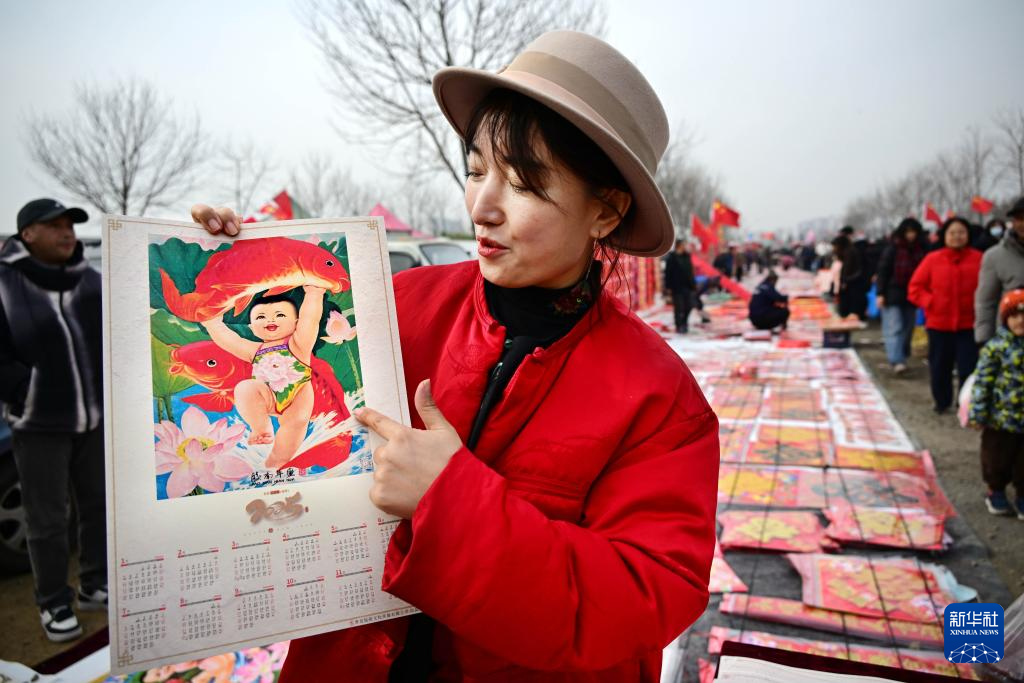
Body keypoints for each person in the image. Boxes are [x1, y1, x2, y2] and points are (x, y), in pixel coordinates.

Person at [191, 30, 718, 682]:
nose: (481, 206)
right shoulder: (394, 307)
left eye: (522, 183)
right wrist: (233, 260)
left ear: (605, 212)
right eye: (475, 171)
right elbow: (276, 381)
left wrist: (448, 500)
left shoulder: (659, 397)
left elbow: (637, 599)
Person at [0, 198, 107, 642]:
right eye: (55, 225)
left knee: (99, 506)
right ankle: (53, 601)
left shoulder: (91, 281)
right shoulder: (5, 284)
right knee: (46, 519)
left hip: (94, 417)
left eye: (71, 225)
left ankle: (95, 583)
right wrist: (25, 390)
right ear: (27, 234)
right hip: (38, 425)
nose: (67, 233)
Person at [200, 288, 327, 469]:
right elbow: (231, 341)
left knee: (295, 424)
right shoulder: (255, 350)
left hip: (297, 396)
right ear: (252, 327)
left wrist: (314, 294)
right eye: (261, 317)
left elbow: (310, 319)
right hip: (267, 396)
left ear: (296, 323)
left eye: (280, 315)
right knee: (245, 388)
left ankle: (277, 462)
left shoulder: (299, 344)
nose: (270, 320)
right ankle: (261, 429)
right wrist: (212, 324)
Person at [908, 217, 983, 414]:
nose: (957, 236)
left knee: (968, 367)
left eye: (961, 232)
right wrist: (931, 302)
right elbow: (915, 288)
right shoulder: (933, 259)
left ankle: (964, 404)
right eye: (952, 233)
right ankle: (941, 402)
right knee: (940, 366)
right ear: (944, 236)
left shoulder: (979, 259)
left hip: (969, 324)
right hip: (939, 324)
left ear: (968, 235)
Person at [969, 289, 1024, 518]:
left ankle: (1022, 495)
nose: (1020, 321)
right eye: (1014, 316)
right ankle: (996, 491)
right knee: (996, 458)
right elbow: (983, 382)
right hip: (1000, 419)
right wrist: (978, 413)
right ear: (1005, 319)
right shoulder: (996, 347)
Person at [876, 218, 927, 374]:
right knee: (894, 327)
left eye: (913, 232)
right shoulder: (893, 249)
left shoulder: (921, 250)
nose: (911, 235)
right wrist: (880, 293)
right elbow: (883, 271)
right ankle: (896, 360)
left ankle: (901, 356)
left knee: (908, 328)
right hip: (892, 294)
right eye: (908, 232)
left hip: (912, 295)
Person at [975, 197, 1024, 346]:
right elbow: (986, 302)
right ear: (1013, 222)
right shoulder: (994, 256)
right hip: (1011, 343)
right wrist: (983, 339)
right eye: (1019, 218)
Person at [663, 238, 698, 332]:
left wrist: (693, 284)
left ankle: (684, 322)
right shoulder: (672, 258)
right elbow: (668, 273)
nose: (686, 246)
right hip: (676, 286)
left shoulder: (687, 256)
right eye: (684, 244)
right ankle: (679, 326)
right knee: (679, 307)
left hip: (688, 286)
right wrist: (668, 287)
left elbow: (691, 271)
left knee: (689, 306)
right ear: (679, 245)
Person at [831, 235, 868, 319]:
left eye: (835, 246)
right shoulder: (848, 253)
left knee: (850, 314)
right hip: (850, 288)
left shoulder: (850, 253)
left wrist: (845, 282)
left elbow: (849, 272)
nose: (834, 249)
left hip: (851, 290)